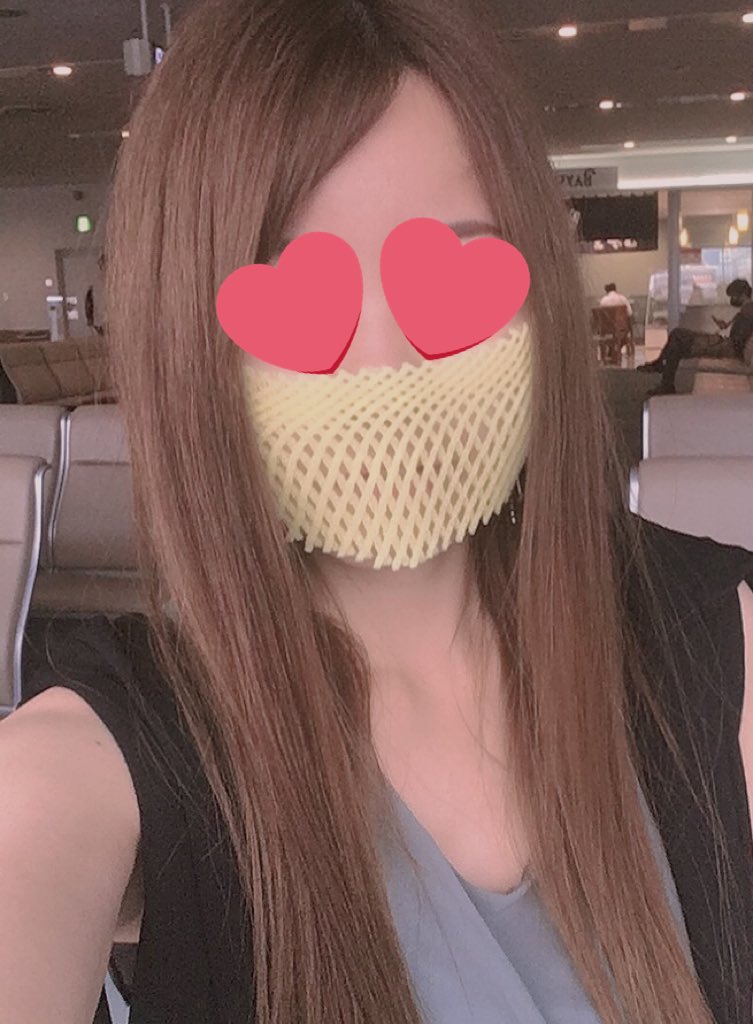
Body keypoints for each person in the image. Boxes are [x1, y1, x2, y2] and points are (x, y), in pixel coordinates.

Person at [2, 3, 753, 1024]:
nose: (385, 359)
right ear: (191, 342)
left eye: (450, 268)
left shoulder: (712, 637)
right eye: (299, 294)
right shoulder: (119, 748)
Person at [638, 278, 753, 394]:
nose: (731, 299)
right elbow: (739, 332)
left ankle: (664, 377)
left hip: (728, 347)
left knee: (677, 339)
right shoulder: (747, 309)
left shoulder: (748, 311)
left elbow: (738, 339)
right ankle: (664, 376)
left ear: (743, 295)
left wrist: (718, 340)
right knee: (677, 335)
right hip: (726, 344)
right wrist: (725, 326)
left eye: (733, 296)